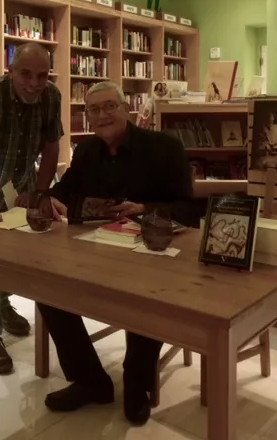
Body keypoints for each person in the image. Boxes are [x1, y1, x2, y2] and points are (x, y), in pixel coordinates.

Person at [37, 80, 195, 426]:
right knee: (46, 286)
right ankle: (90, 380)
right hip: (98, 251)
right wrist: (50, 198)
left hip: (151, 253)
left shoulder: (164, 147)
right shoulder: (86, 151)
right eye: (94, 109)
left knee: (144, 294)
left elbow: (189, 209)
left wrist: (145, 208)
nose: (102, 115)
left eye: (110, 106)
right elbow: (66, 188)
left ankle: (137, 382)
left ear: (126, 109)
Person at [0, 42, 65, 375]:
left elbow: (51, 148)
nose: (34, 83)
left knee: (20, 252)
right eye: (25, 74)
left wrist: (39, 192)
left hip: (22, 183)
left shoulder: (52, 96)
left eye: (42, 75)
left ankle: (2, 302)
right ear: (11, 71)